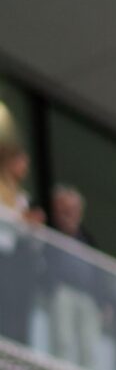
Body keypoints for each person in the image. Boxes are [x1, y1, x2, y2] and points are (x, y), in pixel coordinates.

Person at [41, 184, 101, 370]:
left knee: (88, 347)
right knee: (63, 340)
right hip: (62, 291)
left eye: (74, 209)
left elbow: (98, 271)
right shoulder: (50, 231)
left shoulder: (87, 239)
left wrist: (102, 301)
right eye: (65, 209)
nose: (70, 214)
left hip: (87, 297)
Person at [0, 132, 42, 347]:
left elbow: (24, 233)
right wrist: (22, 219)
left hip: (12, 258)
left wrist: (32, 224)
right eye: (22, 162)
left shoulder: (21, 197)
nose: (25, 168)